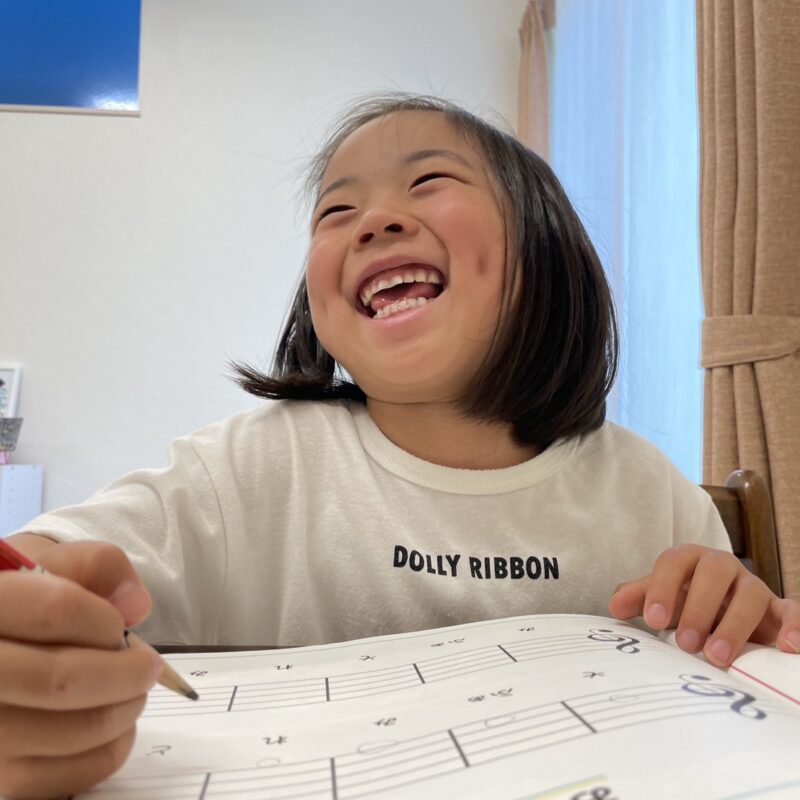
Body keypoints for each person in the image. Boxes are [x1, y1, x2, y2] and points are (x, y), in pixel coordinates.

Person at [1, 93, 798, 798]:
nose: (374, 221)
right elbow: (42, 566)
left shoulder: (648, 492)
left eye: (429, 182)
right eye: (335, 212)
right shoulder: (245, 471)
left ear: (544, 241)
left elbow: (738, 679)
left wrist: (740, 618)